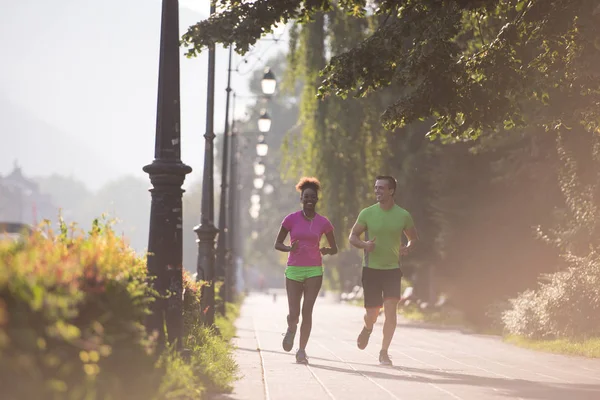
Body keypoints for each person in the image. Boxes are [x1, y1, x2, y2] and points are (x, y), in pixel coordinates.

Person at [348, 175, 419, 366]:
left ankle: (384, 352)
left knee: (391, 312)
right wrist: (364, 244)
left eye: (381, 188)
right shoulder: (367, 213)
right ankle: (367, 328)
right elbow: (353, 236)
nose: (377, 191)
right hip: (371, 270)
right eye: (376, 188)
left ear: (391, 191)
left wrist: (408, 247)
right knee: (372, 314)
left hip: (392, 270)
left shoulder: (403, 215)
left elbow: (413, 238)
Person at [274, 177, 338, 364]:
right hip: (293, 269)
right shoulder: (290, 219)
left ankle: (301, 350)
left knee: (307, 311)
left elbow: (335, 248)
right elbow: (277, 243)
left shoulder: (323, 222)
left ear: (317, 199)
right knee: (294, 313)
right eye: (306, 196)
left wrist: (326, 250)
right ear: (301, 199)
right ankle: (291, 328)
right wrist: (289, 249)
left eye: (313, 196)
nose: (309, 199)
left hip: (314, 270)